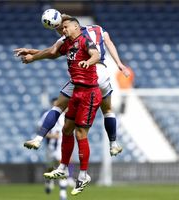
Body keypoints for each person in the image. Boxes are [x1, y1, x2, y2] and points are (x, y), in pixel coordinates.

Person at [15, 14, 130, 156]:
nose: (61, 31)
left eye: (62, 27)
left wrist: (33, 57)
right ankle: (114, 144)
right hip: (103, 73)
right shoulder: (97, 29)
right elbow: (109, 42)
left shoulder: (70, 38)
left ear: (73, 25)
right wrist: (119, 64)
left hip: (87, 73)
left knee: (58, 106)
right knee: (107, 110)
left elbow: (51, 52)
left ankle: (38, 138)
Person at [41, 17, 102, 196]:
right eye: (61, 28)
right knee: (67, 129)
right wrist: (32, 56)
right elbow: (51, 53)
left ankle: (83, 175)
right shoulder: (68, 44)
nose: (63, 30)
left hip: (89, 93)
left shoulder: (85, 40)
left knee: (80, 133)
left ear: (76, 26)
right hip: (76, 91)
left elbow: (96, 55)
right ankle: (62, 167)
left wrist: (88, 62)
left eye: (66, 27)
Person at [39, 98, 69, 200]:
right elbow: (40, 130)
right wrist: (51, 136)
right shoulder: (47, 115)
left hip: (61, 147)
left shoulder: (64, 116)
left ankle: (63, 193)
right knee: (50, 167)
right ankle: (48, 181)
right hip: (50, 147)